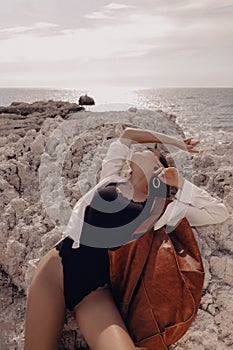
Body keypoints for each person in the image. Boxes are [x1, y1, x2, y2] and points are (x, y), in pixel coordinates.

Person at [24, 127, 229, 350]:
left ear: (160, 170)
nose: (142, 150)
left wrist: (181, 183)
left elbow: (218, 211)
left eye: (152, 152)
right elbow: (128, 135)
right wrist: (176, 142)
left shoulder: (160, 209)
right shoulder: (110, 178)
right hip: (54, 269)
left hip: (93, 291)